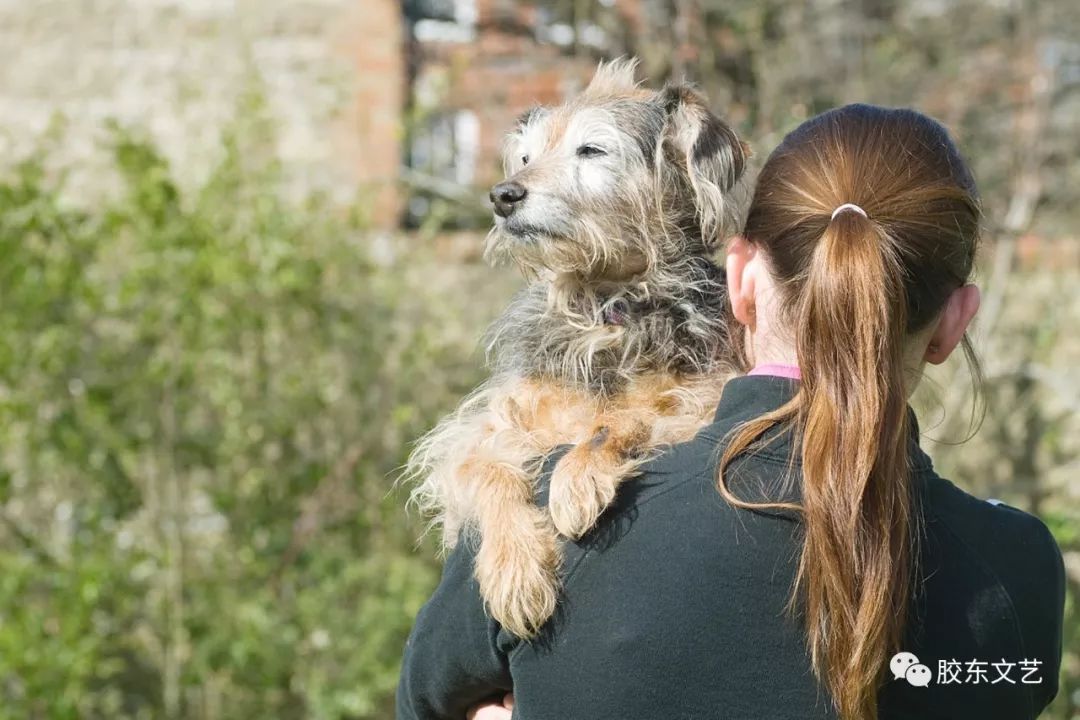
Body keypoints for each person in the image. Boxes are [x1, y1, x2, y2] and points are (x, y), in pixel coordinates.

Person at [395, 104, 1066, 720]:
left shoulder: (552, 516)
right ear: (955, 322)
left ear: (740, 280)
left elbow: (424, 701)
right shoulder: (1015, 568)